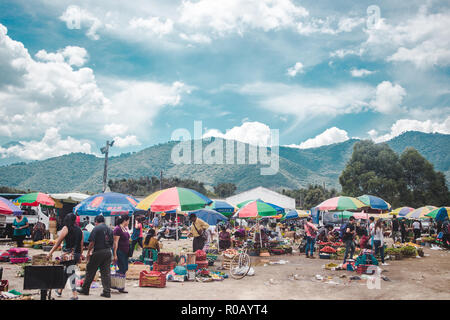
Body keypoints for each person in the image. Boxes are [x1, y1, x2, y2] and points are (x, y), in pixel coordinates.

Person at [48, 213, 83, 300]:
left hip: (68, 255)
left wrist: (50, 253)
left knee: (71, 273)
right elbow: (81, 244)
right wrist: (80, 256)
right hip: (76, 254)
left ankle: (75, 295)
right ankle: (59, 290)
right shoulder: (80, 230)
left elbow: (58, 242)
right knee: (66, 272)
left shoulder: (66, 228)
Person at [77, 215, 113, 298]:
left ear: (96, 221)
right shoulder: (109, 229)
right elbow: (112, 242)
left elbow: (92, 242)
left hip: (98, 251)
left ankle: (85, 289)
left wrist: (89, 252)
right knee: (106, 273)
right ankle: (107, 291)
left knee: (90, 270)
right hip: (108, 251)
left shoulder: (96, 228)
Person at [112, 215, 130, 294]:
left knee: (125, 268)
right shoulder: (117, 229)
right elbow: (115, 242)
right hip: (120, 251)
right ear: (125, 221)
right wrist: (115, 254)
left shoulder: (125, 228)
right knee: (123, 268)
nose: (129, 222)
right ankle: (119, 286)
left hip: (126, 252)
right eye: (128, 220)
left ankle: (120, 285)